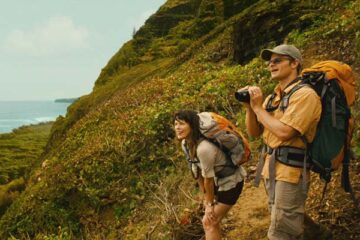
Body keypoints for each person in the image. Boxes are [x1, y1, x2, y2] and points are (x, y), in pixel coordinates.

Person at [240, 44, 322, 239]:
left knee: (280, 231)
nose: (271, 65)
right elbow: (254, 133)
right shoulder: (272, 98)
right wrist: (250, 108)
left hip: (291, 171)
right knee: (282, 216)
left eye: (277, 61)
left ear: (294, 63)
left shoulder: (305, 95)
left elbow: (285, 132)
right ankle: (321, 235)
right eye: (269, 62)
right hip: (271, 167)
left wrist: (259, 109)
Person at [174, 110, 246, 240]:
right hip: (218, 182)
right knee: (213, 222)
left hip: (231, 183)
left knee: (208, 223)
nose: (177, 128)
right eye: (175, 124)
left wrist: (209, 205)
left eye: (182, 124)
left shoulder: (204, 148)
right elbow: (197, 172)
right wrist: (205, 197)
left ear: (192, 126)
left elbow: (209, 180)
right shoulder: (186, 144)